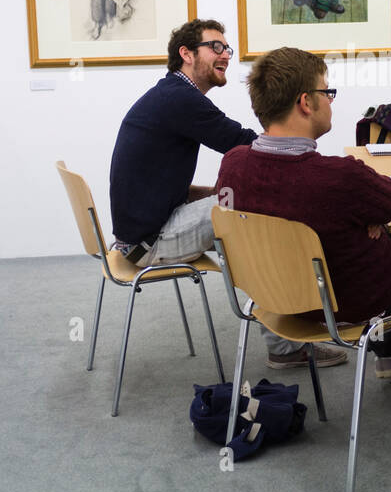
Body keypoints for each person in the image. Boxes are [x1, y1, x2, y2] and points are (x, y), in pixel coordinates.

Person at [216, 47, 391, 393]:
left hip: (275, 301)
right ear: (306, 102)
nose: (331, 101)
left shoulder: (233, 164)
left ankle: (390, 357)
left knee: (386, 240)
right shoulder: (340, 178)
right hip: (351, 301)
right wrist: (367, 216)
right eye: (327, 92)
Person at [109, 19, 347, 370]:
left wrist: (225, 190)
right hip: (148, 241)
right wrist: (299, 149)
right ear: (186, 54)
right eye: (215, 47)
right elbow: (240, 142)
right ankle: (287, 345)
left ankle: (294, 328)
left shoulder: (170, 95)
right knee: (258, 212)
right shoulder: (180, 98)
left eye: (227, 48)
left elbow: (157, 182)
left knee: (245, 204)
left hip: (139, 233)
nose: (225, 55)